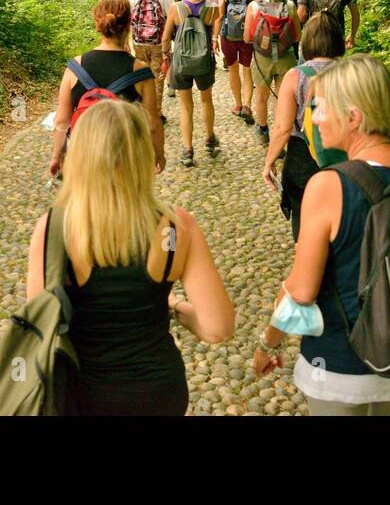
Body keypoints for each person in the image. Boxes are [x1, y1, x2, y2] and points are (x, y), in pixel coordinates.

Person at [252, 54, 390, 415]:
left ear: (353, 117)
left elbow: (302, 290)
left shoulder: (328, 185)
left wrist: (270, 343)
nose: (314, 118)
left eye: (318, 107)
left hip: (342, 365)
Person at [27, 98, 235, 415]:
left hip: (81, 395)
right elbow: (217, 327)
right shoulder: (177, 226)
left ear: (79, 155)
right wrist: (175, 306)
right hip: (158, 394)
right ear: (143, 155)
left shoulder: (54, 229)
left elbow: (39, 328)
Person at [48, 0, 165, 177]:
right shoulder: (141, 71)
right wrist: (159, 153)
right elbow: (153, 124)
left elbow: (62, 122)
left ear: (98, 25)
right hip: (125, 157)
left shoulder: (74, 67)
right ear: (128, 26)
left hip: (84, 156)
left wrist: (57, 156)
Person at [261, 12, 345, 239]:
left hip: (302, 160)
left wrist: (269, 163)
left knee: (304, 224)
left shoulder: (295, 76)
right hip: (344, 160)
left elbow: (282, 128)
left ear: (306, 42)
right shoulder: (351, 72)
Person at [161, 0, 220, 167]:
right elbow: (216, 25)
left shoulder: (175, 8)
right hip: (204, 61)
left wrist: (166, 56)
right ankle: (210, 140)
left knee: (186, 107)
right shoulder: (212, 8)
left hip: (182, 62)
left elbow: (165, 38)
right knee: (206, 100)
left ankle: (188, 151)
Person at [244, 0, 300, 145]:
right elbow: (297, 36)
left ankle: (263, 130)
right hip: (286, 58)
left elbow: (247, 38)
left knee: (262, 97)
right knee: (283, 98)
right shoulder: (290, 6)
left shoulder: (254, 6)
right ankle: (282, 131)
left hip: (262, 59)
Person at [214, 0, 255, 124]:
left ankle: (238, 105)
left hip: (228, 35)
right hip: (247, 36)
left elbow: (220, 16)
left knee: (233, 69)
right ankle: (247, 105)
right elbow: (256, 12)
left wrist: (214, 37)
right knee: (247, 70)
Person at [128, 0, 173, 110]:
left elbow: (129, 18)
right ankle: (156, 111)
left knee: (141, 75)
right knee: (158, 77)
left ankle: (142, 108)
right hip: (158, 42)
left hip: (138, 42)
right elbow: (171, 18)